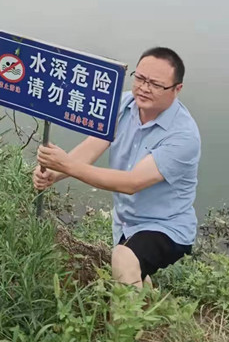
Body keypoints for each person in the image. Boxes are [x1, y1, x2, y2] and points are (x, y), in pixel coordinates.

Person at [34, 47, 201, 288]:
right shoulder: (124, 104)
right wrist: (54, 173)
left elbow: (132, 183)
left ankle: (126, 326)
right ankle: (148, 302)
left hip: (166, 226)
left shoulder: (183, 136)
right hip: (126, 221)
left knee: (124, 258)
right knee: (133, 267)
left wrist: (66, 165)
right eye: (140, 78)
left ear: (177, 89)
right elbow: (92, 146)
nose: (144, 88)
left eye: (155, 84)